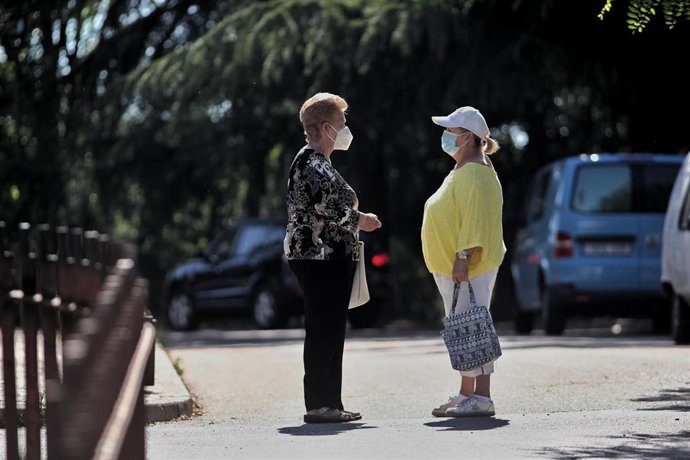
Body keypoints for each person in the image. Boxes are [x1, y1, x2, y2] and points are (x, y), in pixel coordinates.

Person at [284, 92, 382, 424]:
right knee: (323, 327)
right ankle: (318, 404)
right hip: (318, 257)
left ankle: (330, 404)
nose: (345, 129)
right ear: (326, 128)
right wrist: (362, 220)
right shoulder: (311, 162)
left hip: (328, 256)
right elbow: (329, 207)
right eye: (341, 123)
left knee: (332, 327)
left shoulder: (319, 161)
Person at [421, 106, 506, 417]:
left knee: (474, 326)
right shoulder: (467, 167)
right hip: (459, 267)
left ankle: (482, 398)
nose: (445, 136)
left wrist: (462, 257)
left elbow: (474, 220)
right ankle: (465, 394)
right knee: (466, 327)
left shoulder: (473, 171)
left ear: (467, 137)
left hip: (467, 266)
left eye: (451, 131)